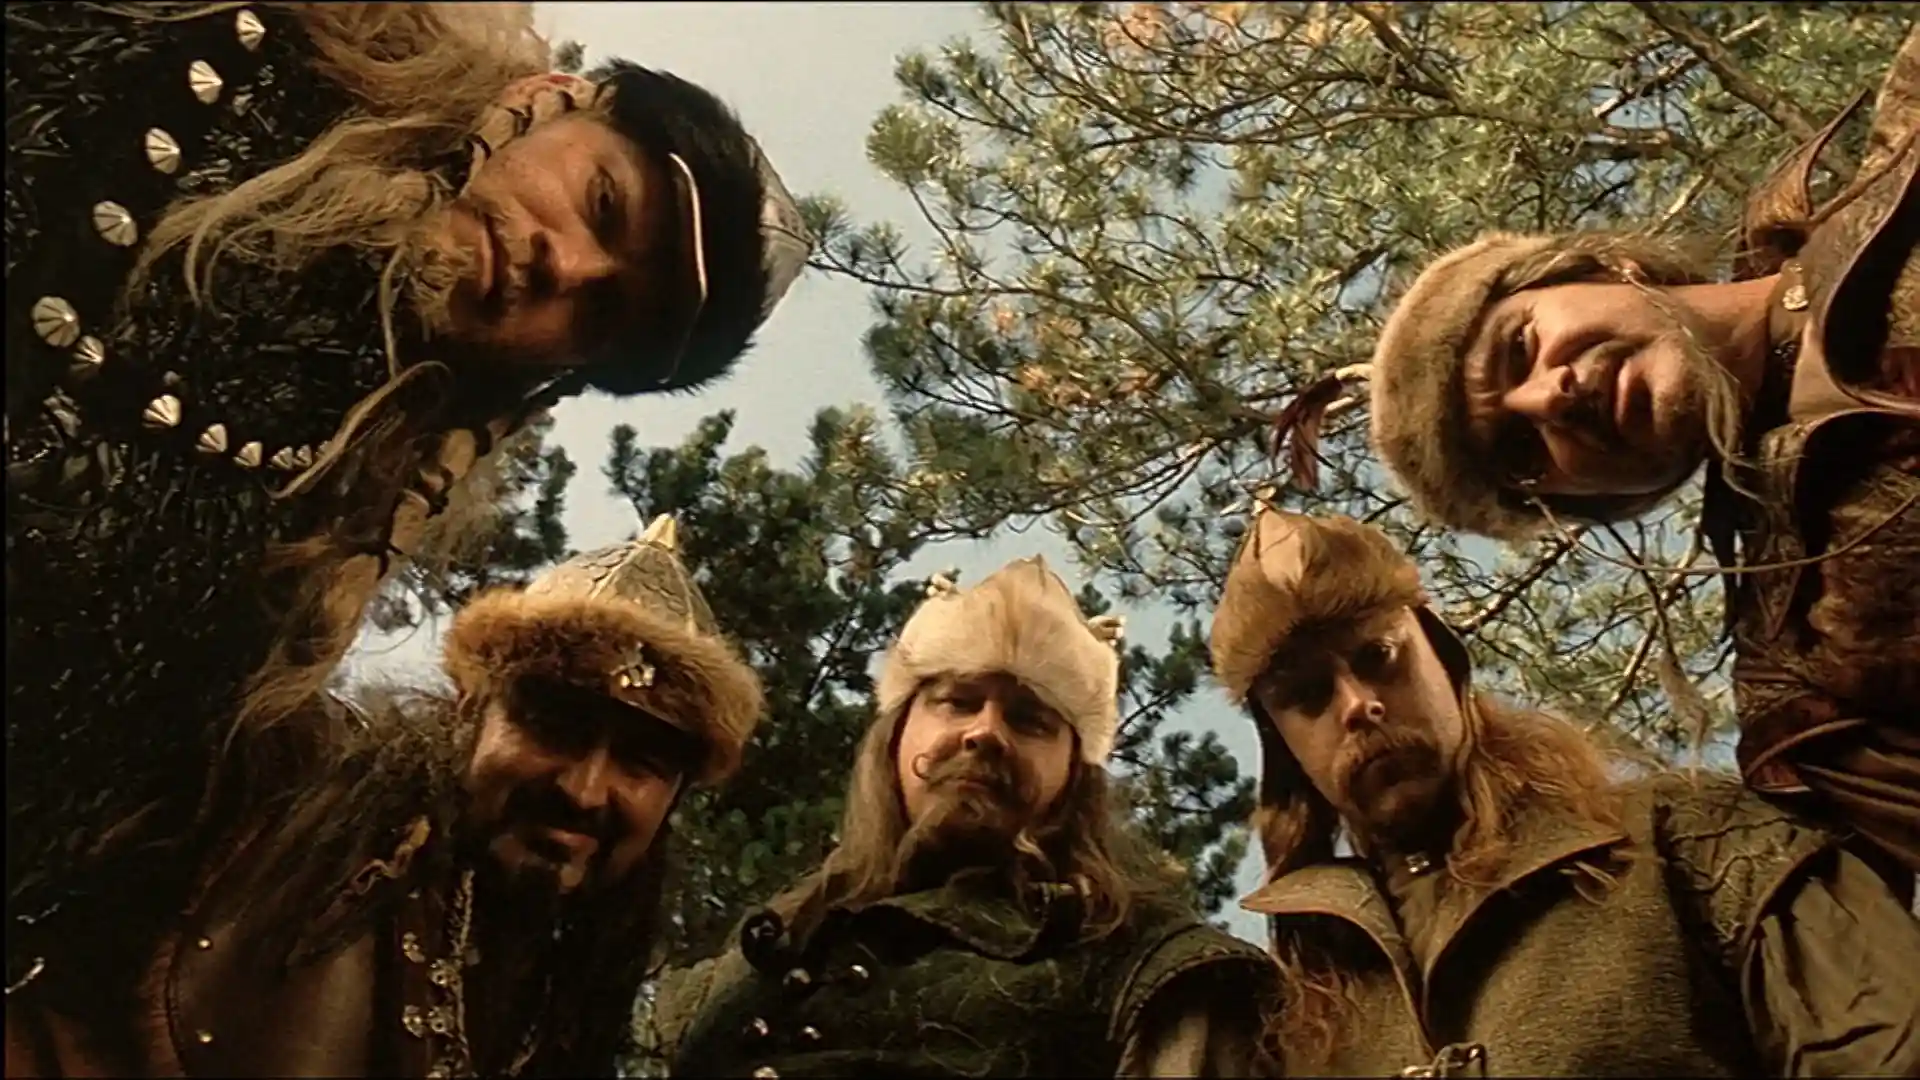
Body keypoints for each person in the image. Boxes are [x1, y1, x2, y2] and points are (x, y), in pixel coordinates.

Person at [5, 0, 810, 980]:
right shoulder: (203, 38)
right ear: (548, 98)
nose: (569, 262)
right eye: (602, 202)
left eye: (603, 312)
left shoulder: (287, 569)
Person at [1335, 27, 1919, 883]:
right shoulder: (1812, 689)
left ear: (1598, 266)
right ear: (1595, 500)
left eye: (1519, 349)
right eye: (1524, 450)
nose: (1550, 397)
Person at [4, 514, 767, 1077]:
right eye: (555, 725)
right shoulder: (281, 786)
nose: (584, 788)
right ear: (471, 711)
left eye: (640, 761)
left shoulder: (573, 1003)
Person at [1208, 507, 1920, 1077]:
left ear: (1444, 658)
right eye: (1306, 695)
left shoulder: (1698, 845)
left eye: (1379, 657)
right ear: (1284, 749)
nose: (1357, 704)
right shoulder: (1302, 1024)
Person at [642, 557, 1275, 1078]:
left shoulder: (1142, 965)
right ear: (895, 737)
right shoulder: (744, 968)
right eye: (958, 702)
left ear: (1072, 778)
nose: (986, 733)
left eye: (1029, 720)